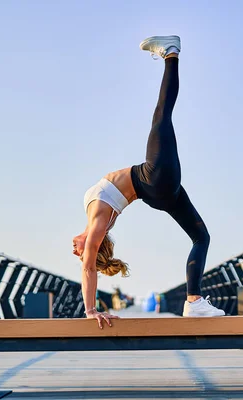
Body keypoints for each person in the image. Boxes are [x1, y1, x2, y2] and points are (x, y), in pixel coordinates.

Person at [73, 35, 225, 328]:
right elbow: (89, 267)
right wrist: (90, 310)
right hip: (152, 178)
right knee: (161, 116)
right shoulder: (97, 222)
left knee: (201, 237)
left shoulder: (96, 219)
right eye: (78, 252)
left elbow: (93, 259)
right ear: (94, 243)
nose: (74, 249)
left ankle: (194, 302)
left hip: (157, 194)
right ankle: (171, 52)